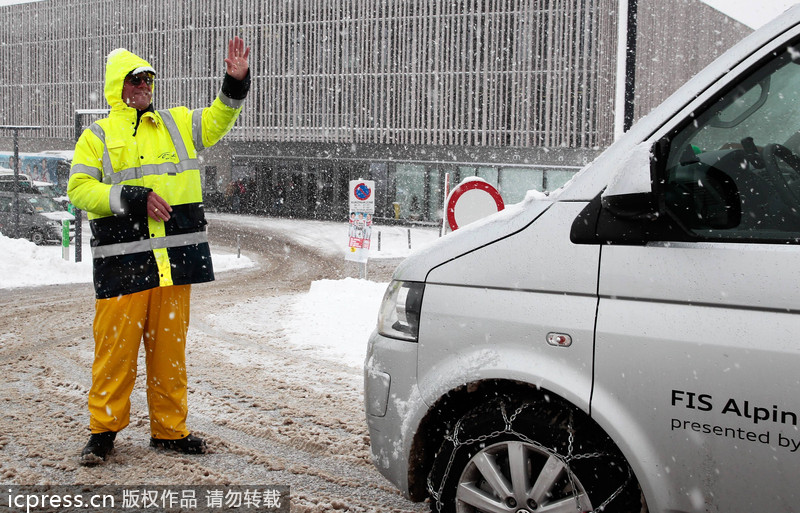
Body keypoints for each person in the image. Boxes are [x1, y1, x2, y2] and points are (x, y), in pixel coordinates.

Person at [68, 37, 251, 466]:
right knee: (115, 352)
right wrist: (129, 196)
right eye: (136, 79)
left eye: (149, 78)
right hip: (123, 265)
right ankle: (103, 431)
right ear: (118, 86)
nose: (144, 85)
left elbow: (218, 119)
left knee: (170, 352)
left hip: (174, 266)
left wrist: (234, 83)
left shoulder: (177, 124)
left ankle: (169, 431)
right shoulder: (97, 136)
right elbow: (78, 189)